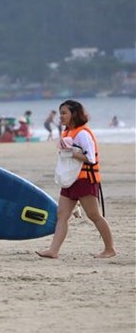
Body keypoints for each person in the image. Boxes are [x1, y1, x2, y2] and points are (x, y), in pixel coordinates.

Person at [36, 100, 115, 259]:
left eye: (64, 113)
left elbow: (90, 158)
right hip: (70, 180)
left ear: (74, 114)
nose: (61, 117)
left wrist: (71, 153)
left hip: (85, 180)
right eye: (60, 113)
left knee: (94, 215)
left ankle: (110, 249)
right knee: (62, 215)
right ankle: (53, 251)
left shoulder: (83, 133)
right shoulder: (67, 133)